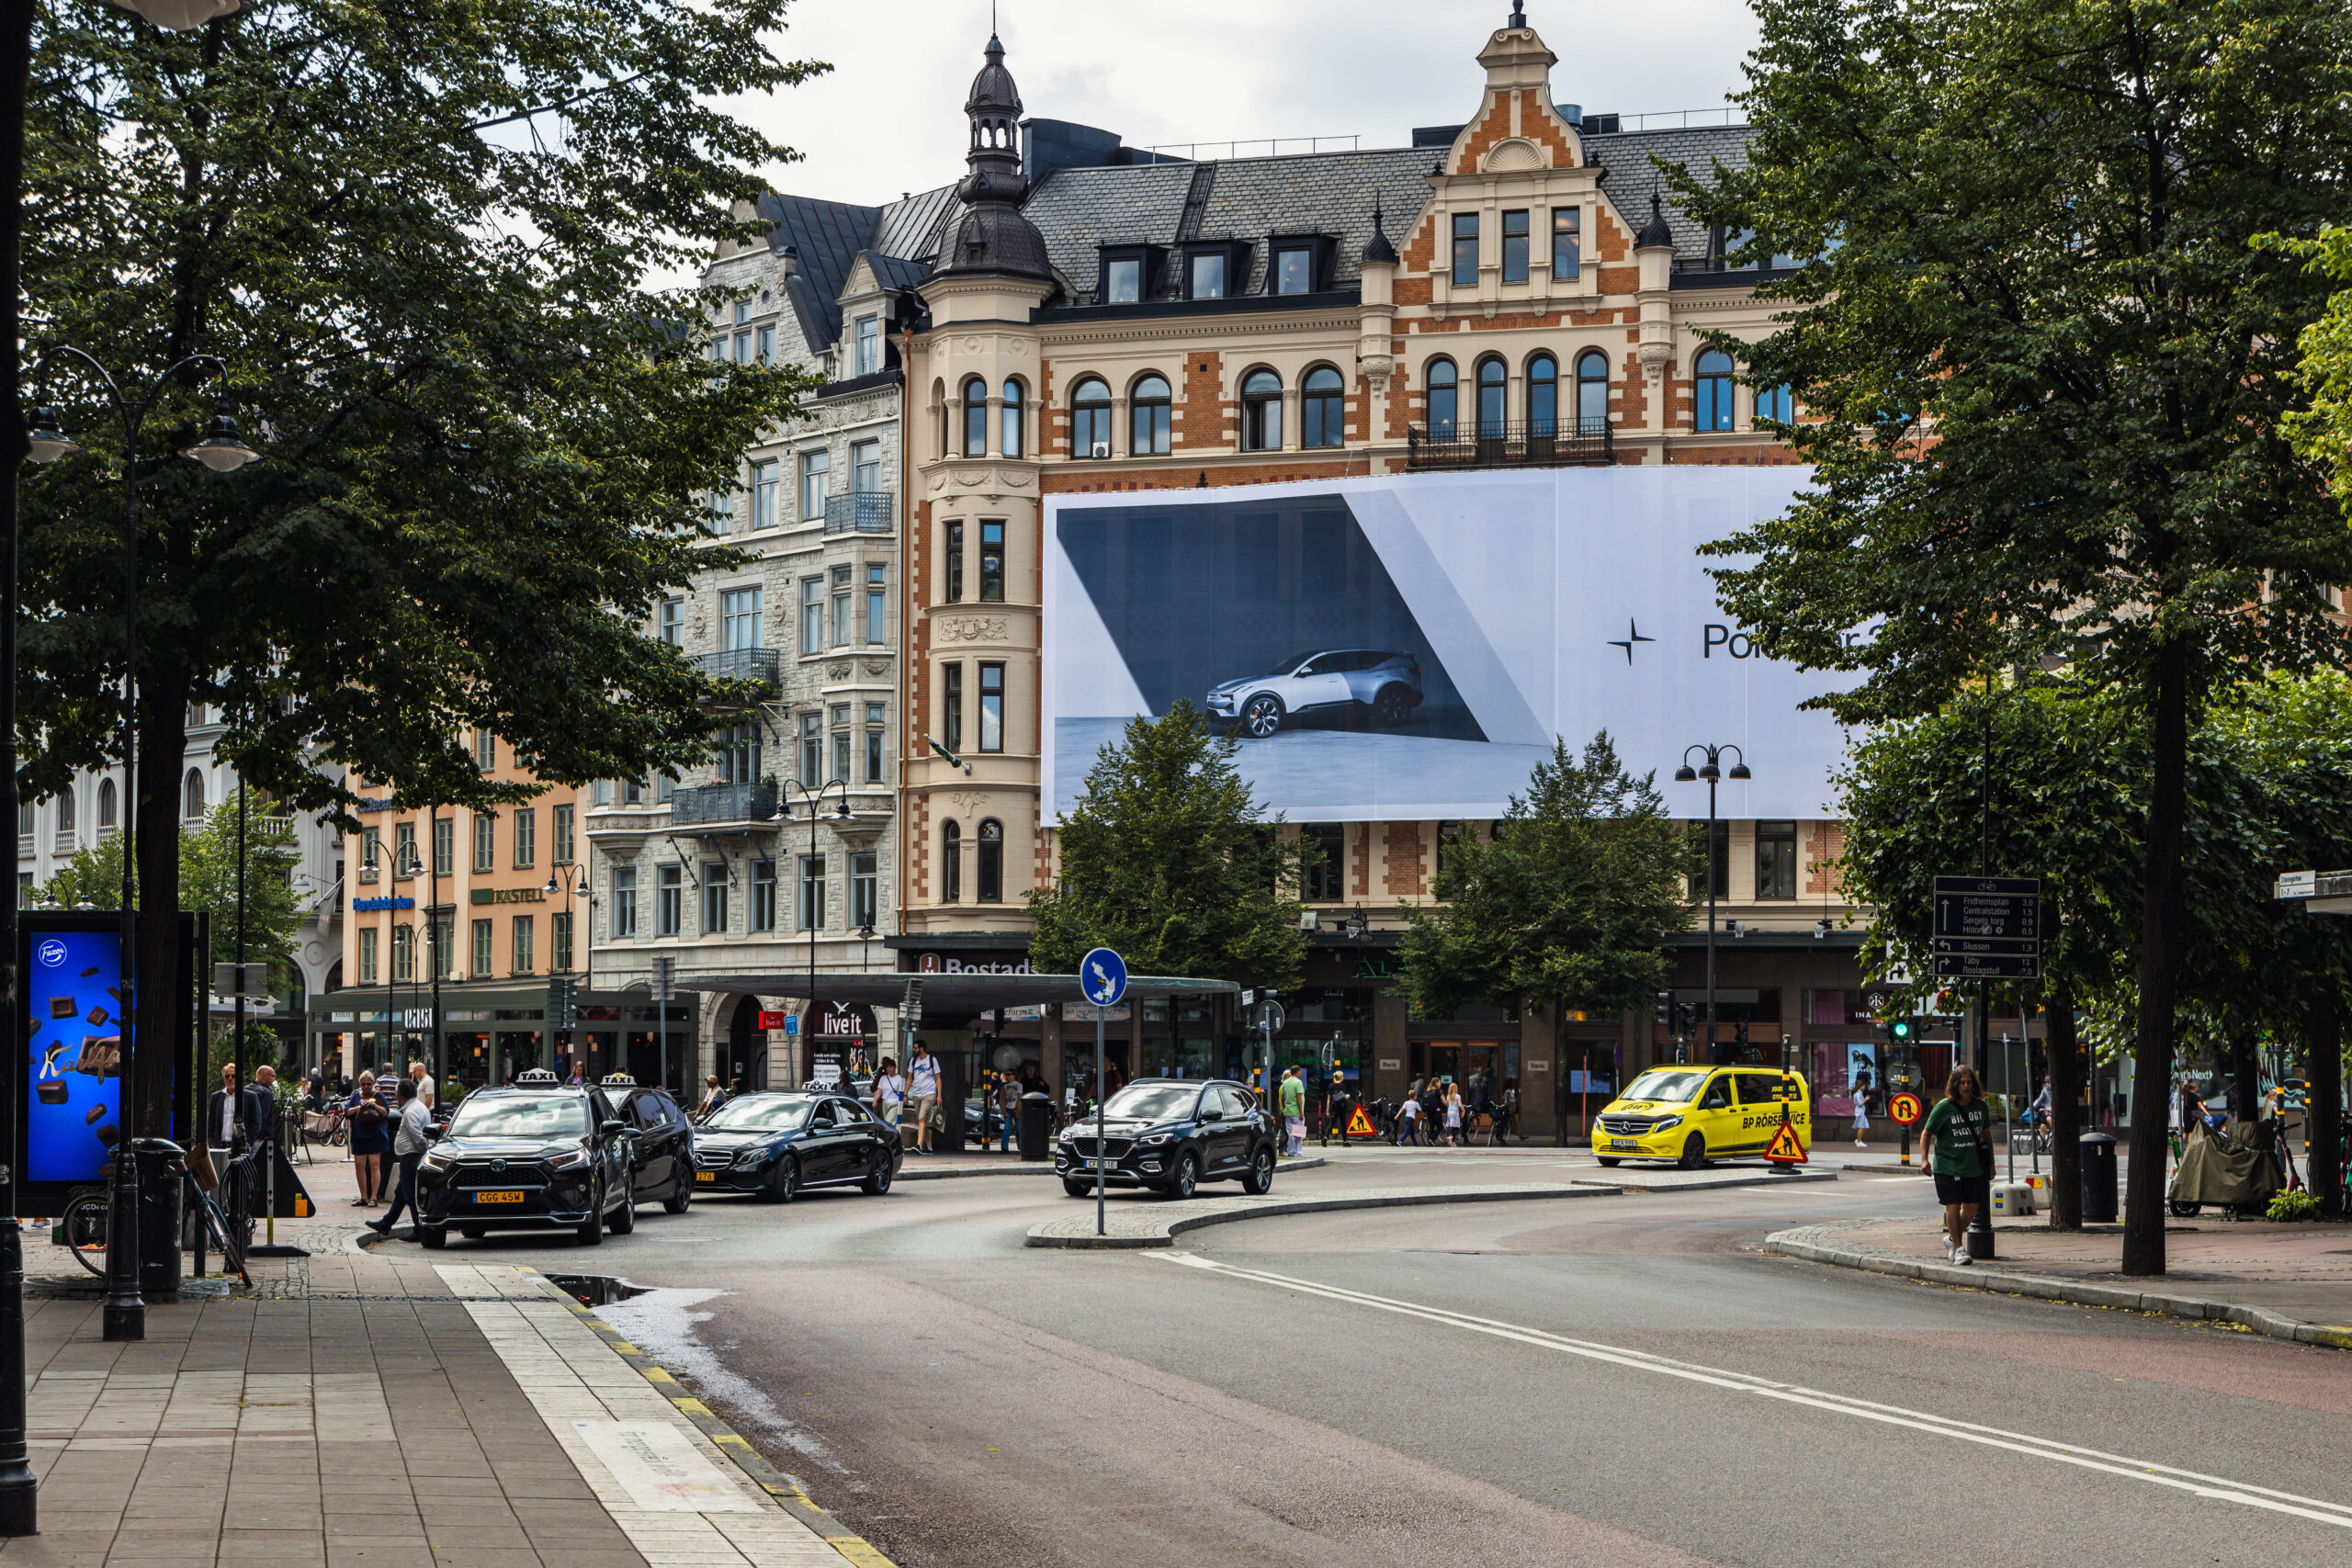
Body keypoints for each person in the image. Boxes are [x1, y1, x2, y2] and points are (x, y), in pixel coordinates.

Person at [1921, 1066, 1994, 1265]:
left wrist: (1991, 1165)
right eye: (1962, 1082)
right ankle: (1960, 1249)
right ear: (1955, 1085)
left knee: (1971, 1207)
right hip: (1947, 1166)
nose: (1966, 1086)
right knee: (1952, 1205)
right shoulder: (1944, 1107)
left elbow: (1987, 1137)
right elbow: (1926, 1133)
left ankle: (1952, 1239)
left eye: (1969, 1082)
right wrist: (1925, 1159)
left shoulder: (1981, 1107)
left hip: (1973, 1166)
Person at [368, 1077, 434, 1241]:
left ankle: (419, 1229)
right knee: (400, 1194)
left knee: (410, 1194)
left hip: (410, 1157)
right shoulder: (419, 1107)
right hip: (411, 1157)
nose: (396, 1096)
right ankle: (385, 1224)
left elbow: (417, 1136)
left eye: (397, 1093)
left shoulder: (411, 1112)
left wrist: (422, 1152)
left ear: (402, 1095)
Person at [905, 1043, 940, 1155]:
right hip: (916, 1095)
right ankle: (929, 1148)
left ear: (922, 1048)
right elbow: (909, 1079)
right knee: (924, 1122)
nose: (913, 1050)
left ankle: (919, 1145)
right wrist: (905, 1094)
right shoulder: (913, 1061)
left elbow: (938, 1079)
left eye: (915, 1048)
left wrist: (939, 1095)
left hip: (929, 1094)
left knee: (921, 1119)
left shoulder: (932, 1060)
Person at [1278, 1066, 1306, 1158]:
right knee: (1298, 1134)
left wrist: (1286, 1107)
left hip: (1288, 1112)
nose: (1300, 1073)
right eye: (1300, 1072)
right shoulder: (1298, 1082)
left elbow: (1282, 1099)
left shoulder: (1285, 1083)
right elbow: (1299, 1097)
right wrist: (1301, 1112)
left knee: (1289, 1134)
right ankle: (1298, 1153)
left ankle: (1291, 1152)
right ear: (1297, 1072)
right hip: (1297, 1112)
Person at [873, 1057, 905, 1133]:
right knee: (889, 1124)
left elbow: (902, 1092)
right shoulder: (883, 1078)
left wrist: (903, 1099)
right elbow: (879, 1091)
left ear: (895, 1067)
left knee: (888, 1122)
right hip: (885, 1103)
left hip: (895, 1104)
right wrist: (875, 1100)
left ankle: (889, 1139)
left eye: (890, 1066)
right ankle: (892, 1137)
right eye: (887, 1067)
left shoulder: (899, 1078)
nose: (888, 1068)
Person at [994, 1072, 1021, 1154]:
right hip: (1008, 1109)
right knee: (1007, 1129)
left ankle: (1021, 1148)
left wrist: (1017, 1109)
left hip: (1017, 1109)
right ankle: (1004, 1148)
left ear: (1014, 1075)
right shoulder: (1003, 1086)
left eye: (1009, 1074)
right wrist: (1004, 1111)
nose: (1007, 1076)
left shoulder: (1019, 1085)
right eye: (1006, 1075)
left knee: (1019, 1129)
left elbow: (1020, 1098)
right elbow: (1002, 1099)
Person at [1852, 1071, 1874, 1149]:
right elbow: (1860, 1104)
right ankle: (1859, 1141)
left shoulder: (1859, 1093)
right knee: (1861, 1127)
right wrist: (1866, 1099)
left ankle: (1858, 1139)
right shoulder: (1857, 1094)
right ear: (1860, 1086)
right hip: (1860, 1112)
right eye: (1863, 1086)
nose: (1864, 1087)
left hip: (1862, 1112)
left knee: (1865, 1126)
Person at [1443, 1082, 1464, 1147]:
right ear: (1456, 1089)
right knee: (1457, 1128)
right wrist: (1463, 1110)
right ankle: (1451, 1137)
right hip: (1455, 1112)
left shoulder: (1448, 1096)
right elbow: (1460, 1105)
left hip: (1449, 1112)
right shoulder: (1458, 1096)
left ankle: (1453, 1142)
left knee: (1453, 1127)